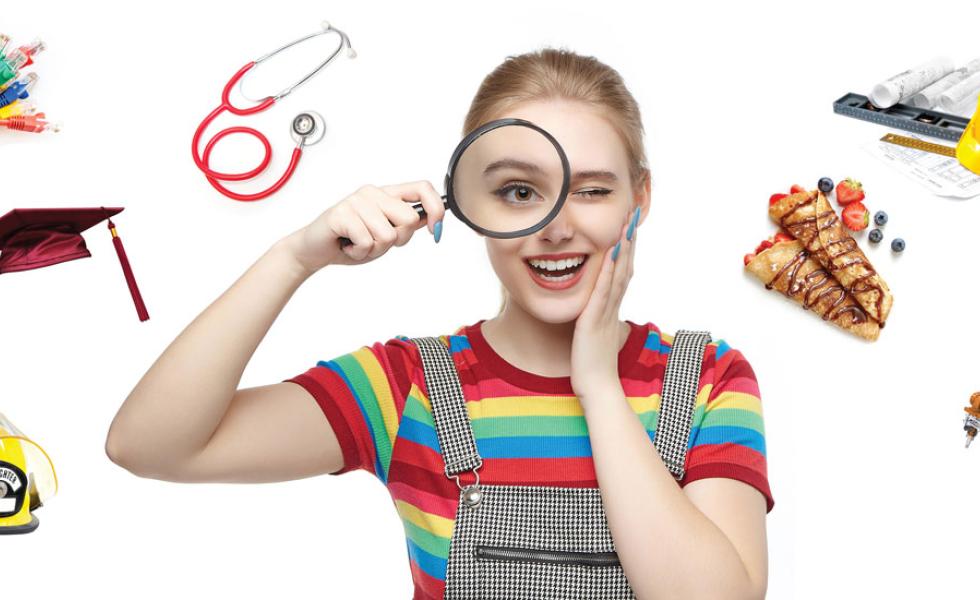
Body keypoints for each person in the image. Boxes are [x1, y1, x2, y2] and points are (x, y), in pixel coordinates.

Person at [106, 48, 773, 599]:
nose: (558, 226)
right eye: (518, 191)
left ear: (640, 199)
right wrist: (294, 257)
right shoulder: (407, 387)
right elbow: (151, 446)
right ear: (468, 202)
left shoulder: (708, 378)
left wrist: (597, 382)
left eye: (593, 190)